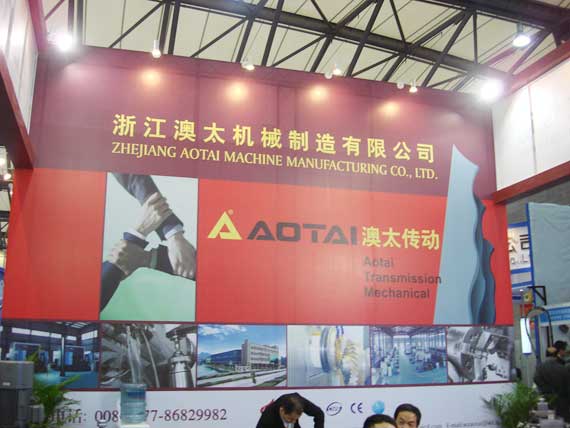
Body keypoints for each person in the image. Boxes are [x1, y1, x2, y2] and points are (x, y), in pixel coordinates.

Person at [534, 341, 570, 421]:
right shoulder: (562, 368)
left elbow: (536, 379)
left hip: (546, 402)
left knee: (548, 421)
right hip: (562, 403)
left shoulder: (540, 367)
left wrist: (546, 389)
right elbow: (567, 387)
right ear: (557, 354)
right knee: (563, 422)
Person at [256, 393, 324, 428]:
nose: (293, 421)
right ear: (282, 411)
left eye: (295, 419)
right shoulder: (268, 418)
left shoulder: (301, 402)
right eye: (290, 418)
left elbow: (319, 414)